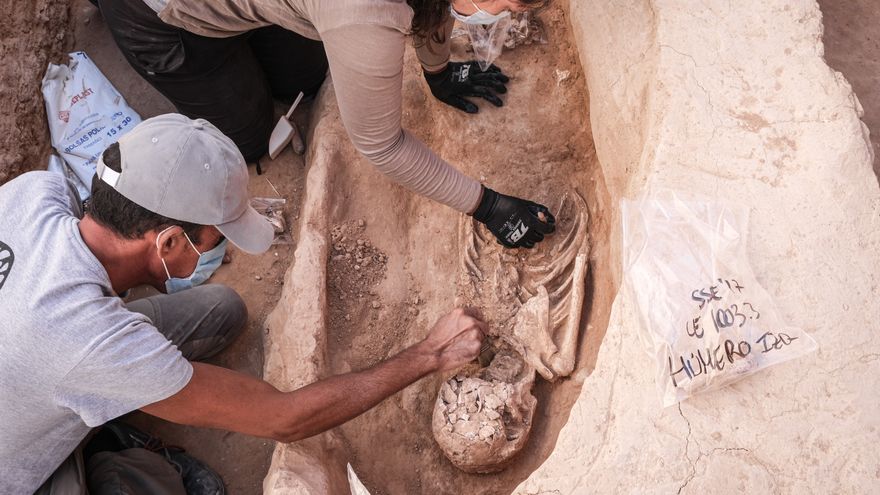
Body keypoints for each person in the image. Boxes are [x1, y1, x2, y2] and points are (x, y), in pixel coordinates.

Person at [0, 114, 486, 493]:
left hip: (34, 358)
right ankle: (111, 455)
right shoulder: (92, 342)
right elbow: (284, 419)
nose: (224, 250)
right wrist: (431, 354)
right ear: (168, 243)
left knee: (221, 312)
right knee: (144, 483)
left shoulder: (33, 192)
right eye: (215, 239)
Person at [94, 0, 557, 249]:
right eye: (512, 4)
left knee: (307, 75)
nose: (509, 15)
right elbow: (381, 145)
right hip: (162, 15)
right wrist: (487, 205)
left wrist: (438, 73)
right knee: (251, 136)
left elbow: (430, 6)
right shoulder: (364, 12)